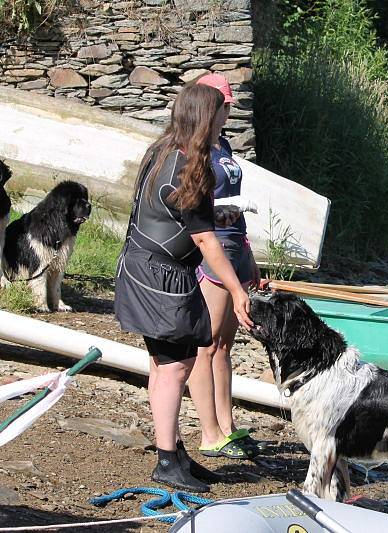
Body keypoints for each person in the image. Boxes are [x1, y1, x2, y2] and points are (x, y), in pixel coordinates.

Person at [114, 83, 253, 492]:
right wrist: (238, 289)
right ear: (203, 118)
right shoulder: (186, 165)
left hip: (146, 268)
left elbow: (185, 217)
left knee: (166, 364)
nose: (224, 120)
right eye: (219, 114)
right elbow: (204, 240)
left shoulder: (163, 152)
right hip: (159, 278)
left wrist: (217, 214)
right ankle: (165, 460)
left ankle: (174, 452)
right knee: (174, 367)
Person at [187, 73, 268, 459]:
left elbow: (233, 197)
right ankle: (209, 433)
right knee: (207, 342)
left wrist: (249, 256)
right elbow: (193, 205)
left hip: (236, 243)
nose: (228, 111)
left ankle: (228, 425)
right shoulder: (195, 147)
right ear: (209, 105)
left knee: (225, 345)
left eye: (230, 105)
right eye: (224, 105)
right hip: (212, 249)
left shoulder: (223, 143)